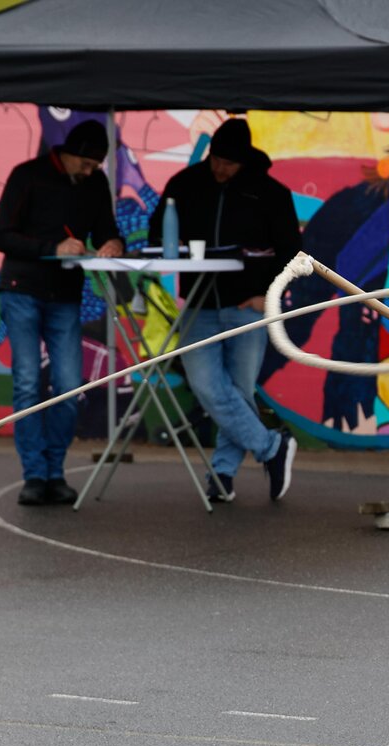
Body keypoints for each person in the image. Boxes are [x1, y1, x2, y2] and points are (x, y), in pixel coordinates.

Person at [151, 118, 299, 504]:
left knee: (239, 392)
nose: (220, 168)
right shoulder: (184, 183)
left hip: (248, 305)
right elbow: (156, 232)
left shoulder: (270, 192)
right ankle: (271, 447)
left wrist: (267, 295)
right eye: (216, 159)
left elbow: (292, 253)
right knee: (207, 386)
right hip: (199, 305)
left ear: (245, 161)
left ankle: (222, 473)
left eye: (229, 163)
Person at [0, 119, 123, 506]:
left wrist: (113, 243)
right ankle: (34, 474)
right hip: (21, 291)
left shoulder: (95, 183)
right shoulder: (27, 175)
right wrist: (52, 247)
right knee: (28, 383)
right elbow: (1, 235)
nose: (90, 171)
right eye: (85, 163)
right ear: (67, 154)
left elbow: (106, 230)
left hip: (65, 295)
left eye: (96, 165)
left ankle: (54, 470)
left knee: (68, 386)